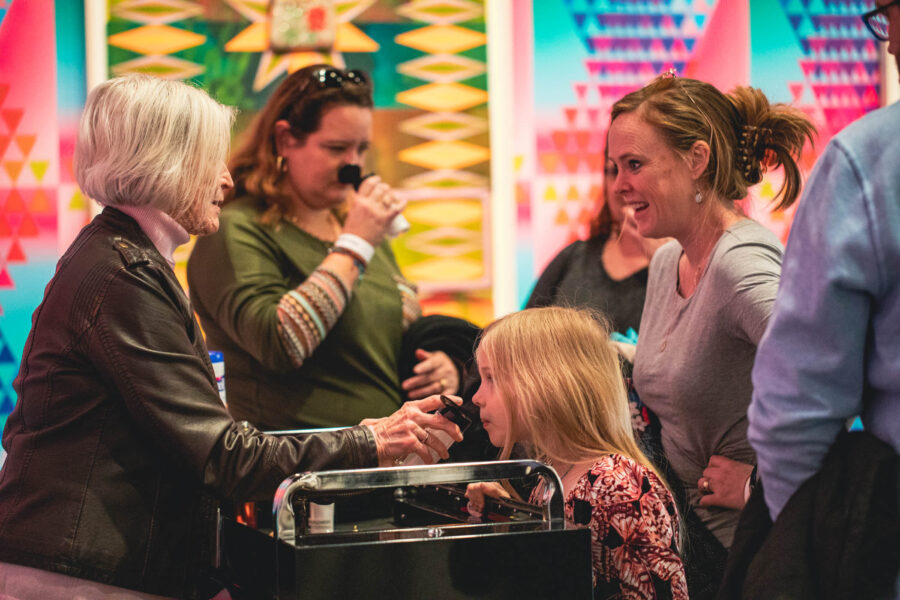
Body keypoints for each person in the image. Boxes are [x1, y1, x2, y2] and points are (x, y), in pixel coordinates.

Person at [0, 74, 462, 600]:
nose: (225, 179)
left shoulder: (122, 262)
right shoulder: (123, 273)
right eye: (210, 161)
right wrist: (373, 440)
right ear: (166, 164)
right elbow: (222, 452)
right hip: (84, 573)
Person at [187, 65, 465, 432]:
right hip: (298, 470)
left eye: (361, 148)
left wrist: (441, 367)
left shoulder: (354, 222)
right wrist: (355, 245)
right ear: (285, 139)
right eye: (336, 148)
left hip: (386, 460)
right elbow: (279, 342)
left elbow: (392, 335)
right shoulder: (237, 229)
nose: (352, 164)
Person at [606, 73, 815, 557]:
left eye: (634, 164)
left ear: (696, 160)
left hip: (748, 552)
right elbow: (697, 363)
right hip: (690, 537)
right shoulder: (667, 261)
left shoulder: (740, 265)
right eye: (615, 167)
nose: (620, 187)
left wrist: (759, 483)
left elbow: (835, 374)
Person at [748, 0, 900, 526]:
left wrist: (810, 560)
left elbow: (794, 411)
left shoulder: (872, 162)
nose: (889, 41)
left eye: (889, 15)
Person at [464, 307, 688, 599]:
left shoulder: (617, 485)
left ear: (545, 382)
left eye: (491, 378)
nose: (476, 397)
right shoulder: (552, 477)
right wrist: (511, 520)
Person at [526, 147, 663, 337]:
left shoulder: (688, 268)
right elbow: (520, 336)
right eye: (614, 171)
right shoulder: (576, 256)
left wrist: (667, 261)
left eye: (635, 167)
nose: (620, 185)